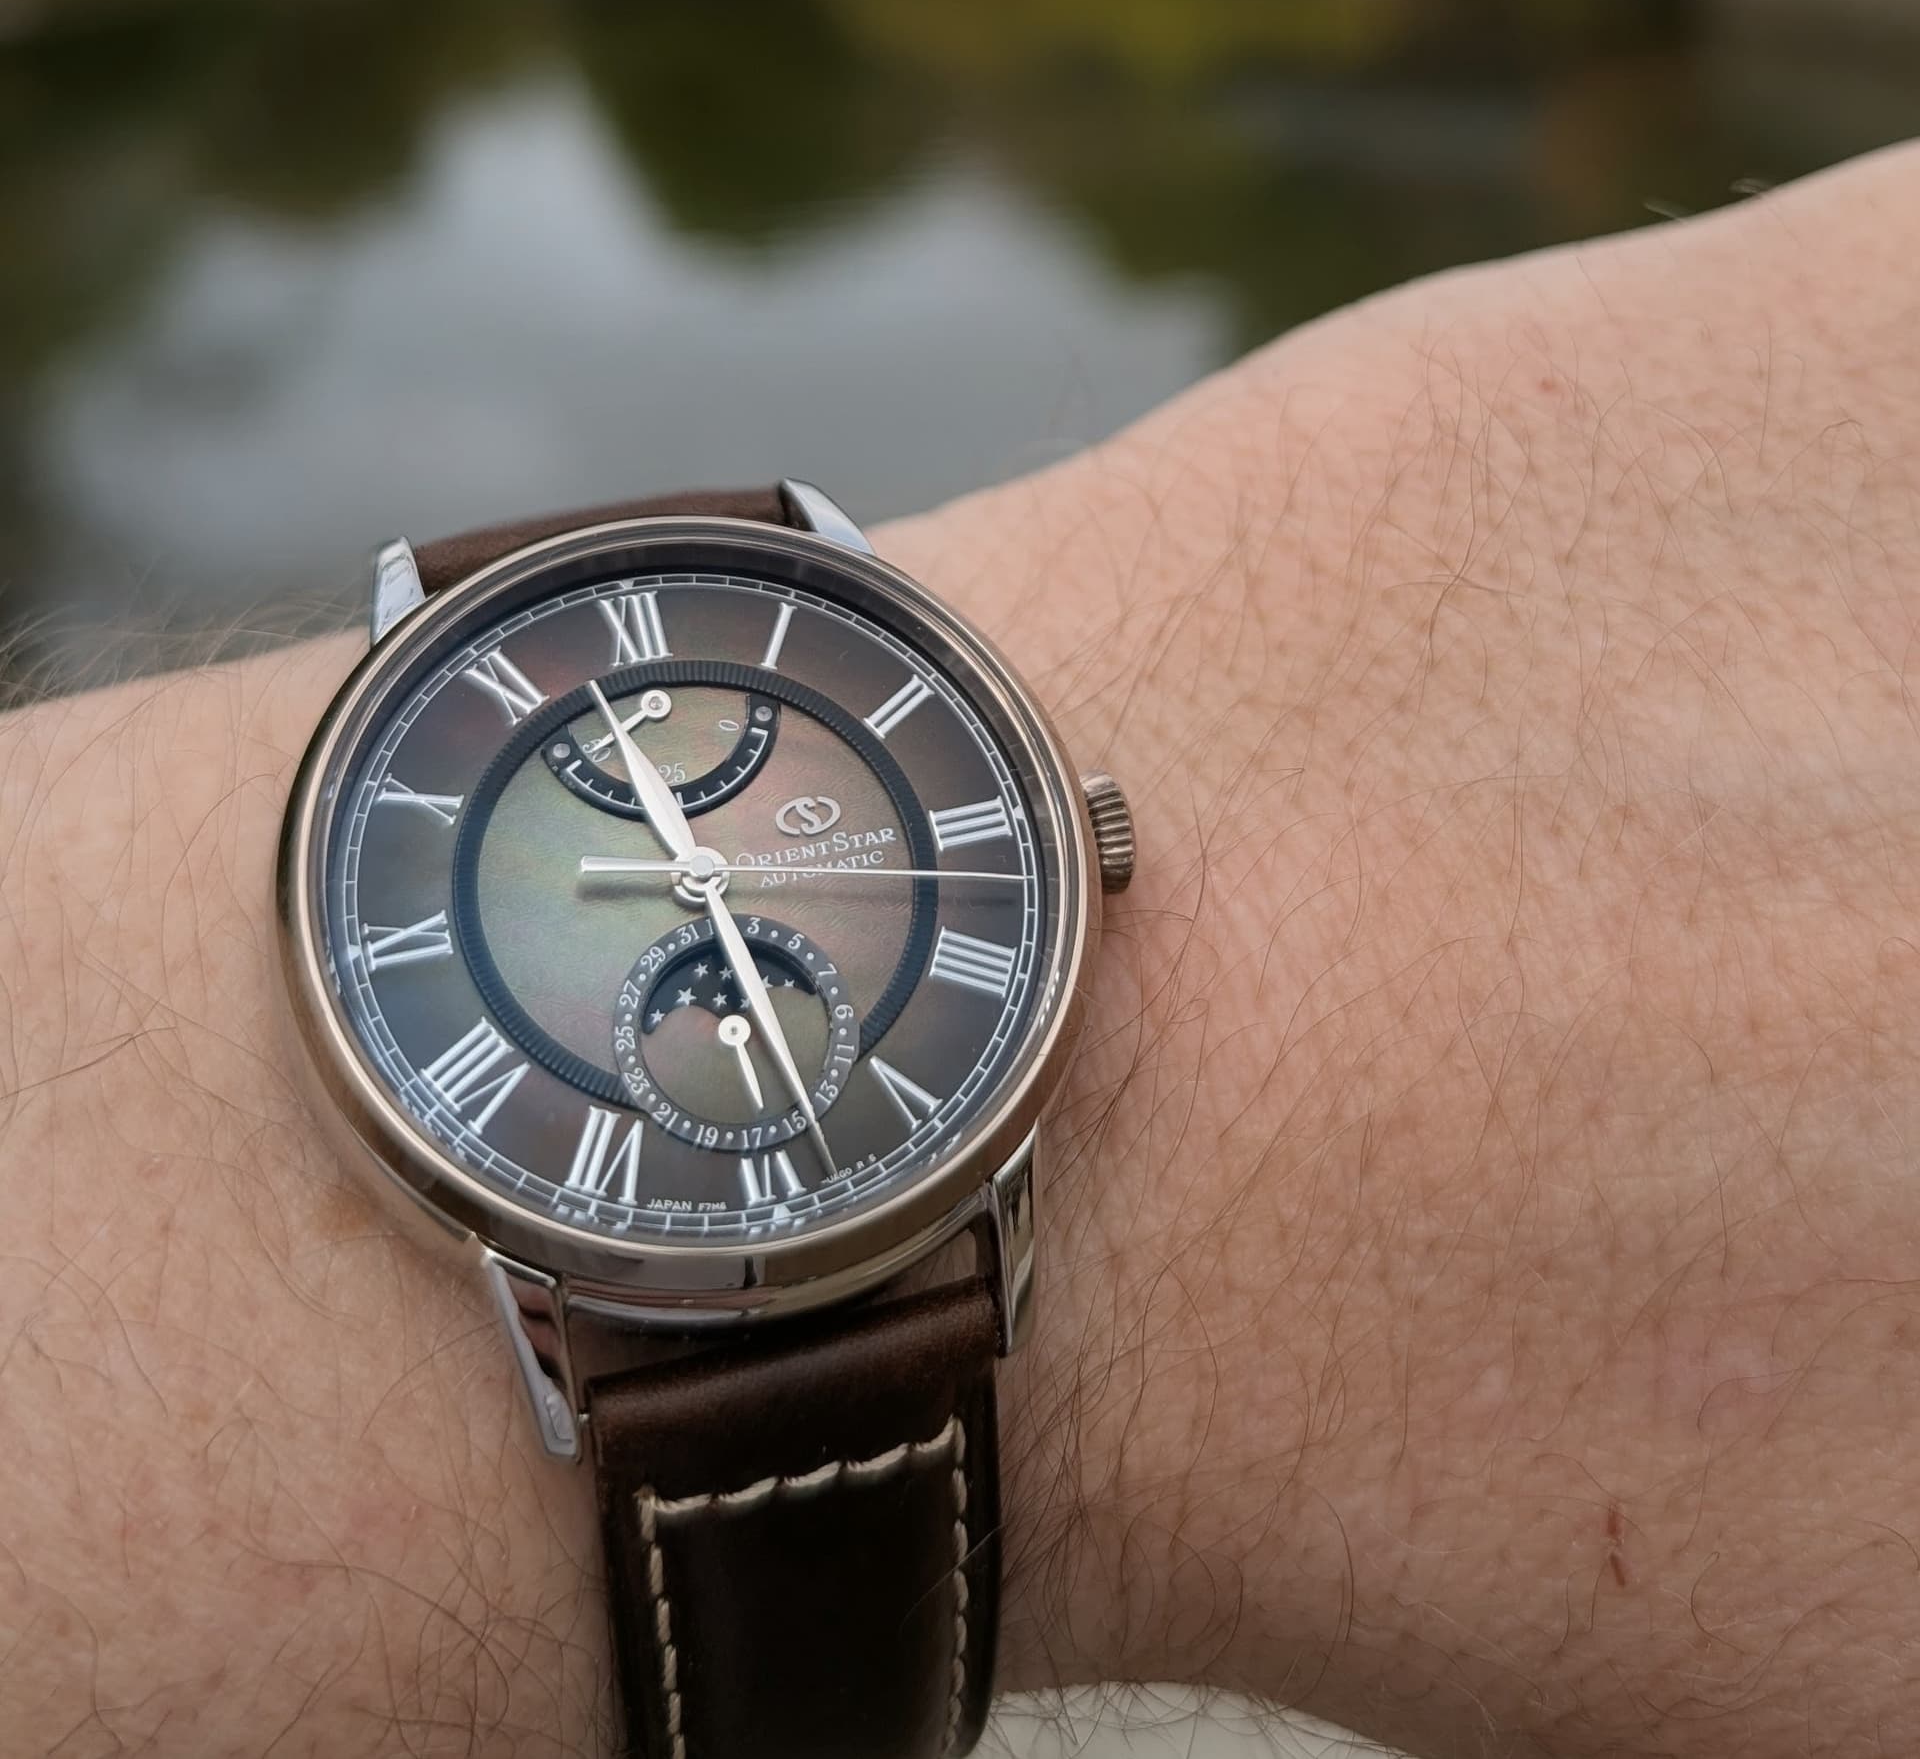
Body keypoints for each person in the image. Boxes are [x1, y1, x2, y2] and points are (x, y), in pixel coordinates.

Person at [5, 139, 1920, 1759]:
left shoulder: (982, 961)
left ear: (1084, 836)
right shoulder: (541, 1216)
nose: (698, 872)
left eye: (706, 831)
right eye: (671, 840)